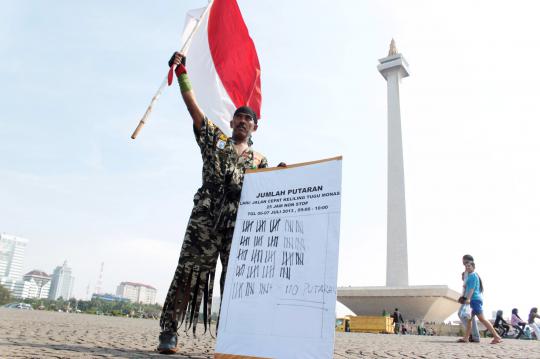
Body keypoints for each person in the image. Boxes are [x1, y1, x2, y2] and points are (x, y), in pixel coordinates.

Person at [157, 52, 270, 354]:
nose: (243, 121)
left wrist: (283, 173)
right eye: (240, 117)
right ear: (232, 121)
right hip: (206, 219)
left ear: (255, 127)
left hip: (239, 226)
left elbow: (272, 194)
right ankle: (169, 331)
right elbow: (193, 108)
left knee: (235, 282)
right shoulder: (217, 141)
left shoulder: (261, 161)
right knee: (189, 274)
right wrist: (182, 72)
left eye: (249, 119)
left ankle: (232, 339)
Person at [459, 261, 502, 344]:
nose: (467, 268)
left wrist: (468, 299)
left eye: (469, 266)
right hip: (474, 300)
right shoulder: (472, 276)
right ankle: (466, 338)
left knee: (482, 319)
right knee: (469, 320)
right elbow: (469, 288)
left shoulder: (472, 276)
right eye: (466, 266)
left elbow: (471, 289)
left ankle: (497, 337)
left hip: (474, 300)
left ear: (473, 267)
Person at [458, 254, 480, 342]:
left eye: (464, 261)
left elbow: (471, 287)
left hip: (470, 297)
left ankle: (474, 336)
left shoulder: (472, 273)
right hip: (467, 296)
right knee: (467, 316)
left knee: (466, 316)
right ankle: (473, 335)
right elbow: (465, 285)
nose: (463, 262)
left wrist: (467, 298)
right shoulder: (467, 272)